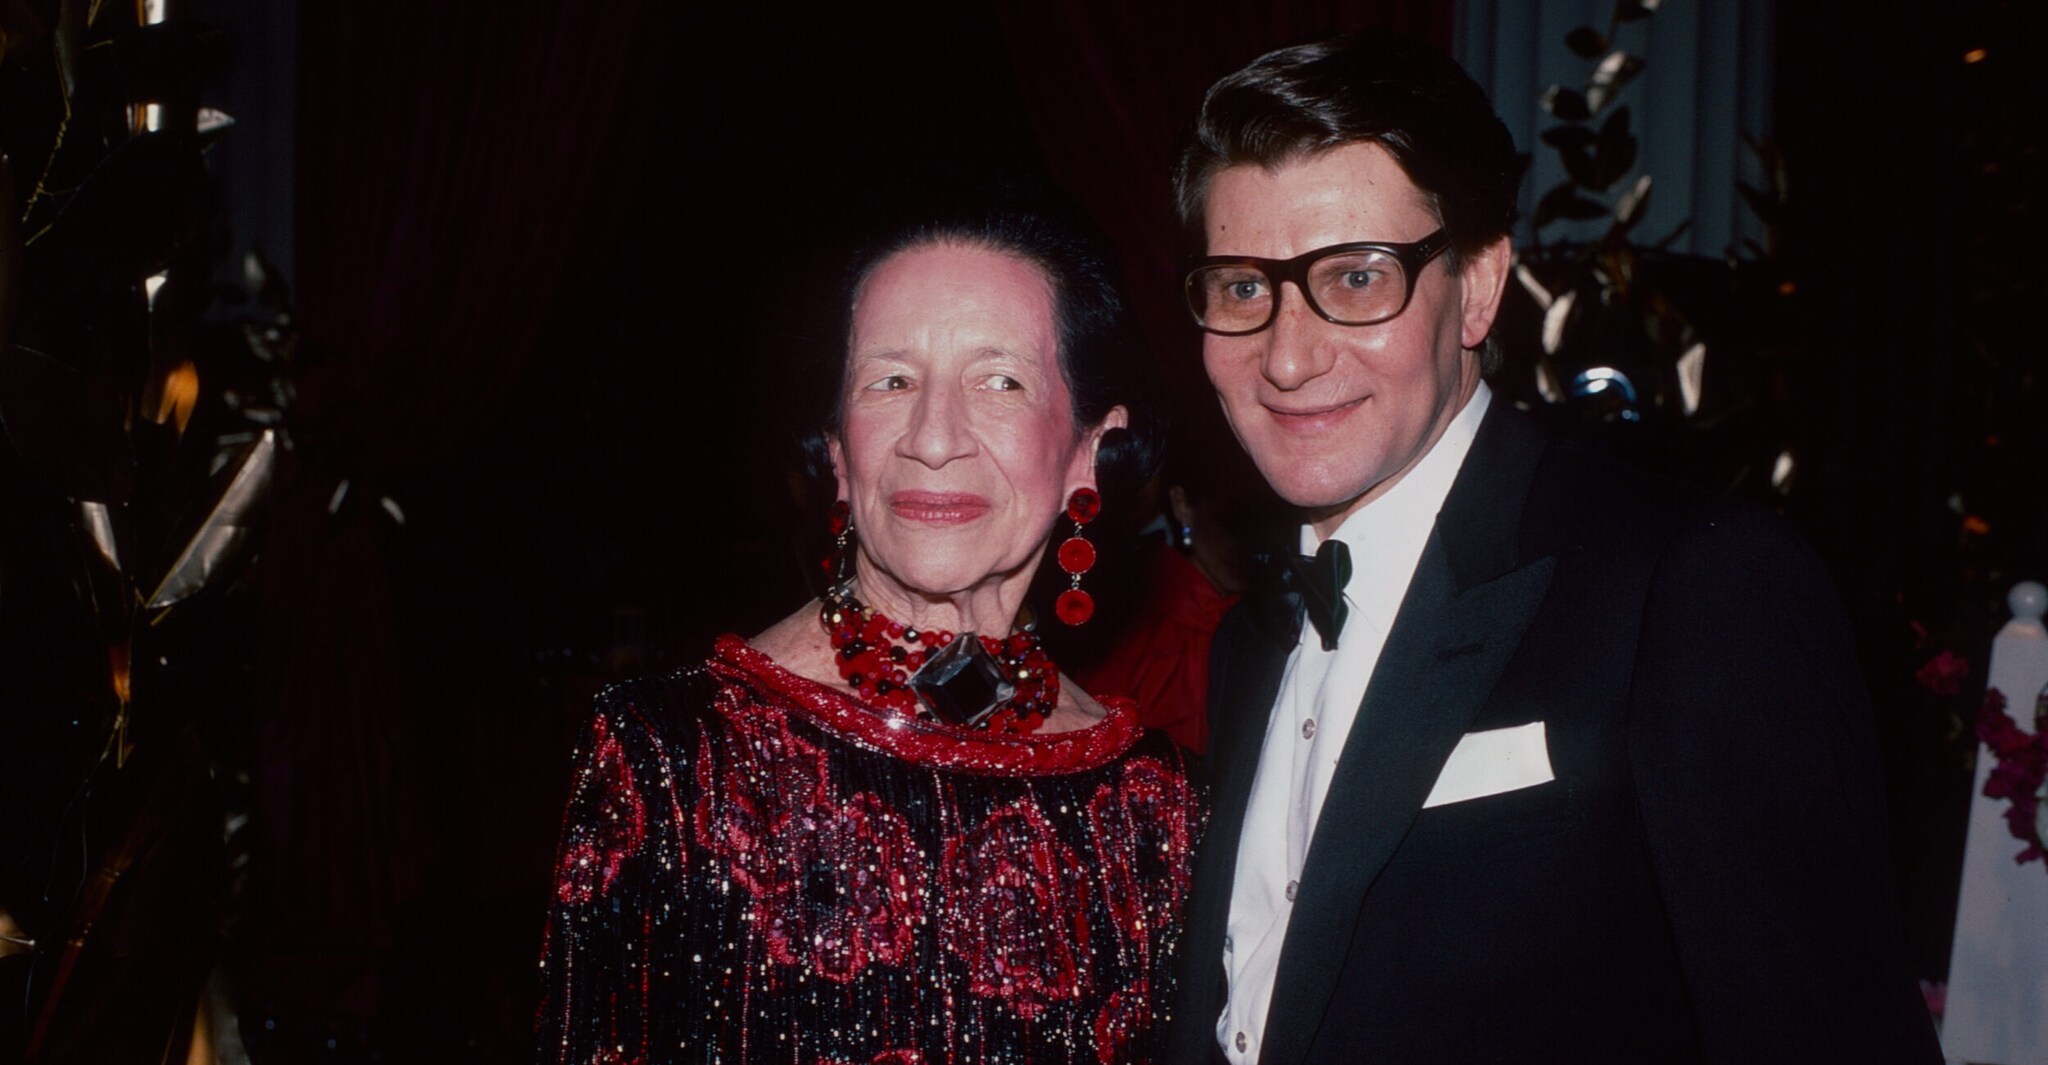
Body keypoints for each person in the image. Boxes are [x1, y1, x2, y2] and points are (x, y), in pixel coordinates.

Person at [1161, 33, 1942, 1064]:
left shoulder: (1691, 585)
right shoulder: (1248, 644)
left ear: (1478, 289)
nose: (1289, 356)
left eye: (1356, 278)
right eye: (1243, 288)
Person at [535, 194, 1199, 1064]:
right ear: (838, 450)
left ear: (1088, 448)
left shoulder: (1166, 808)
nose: (932, 437)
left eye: (1000, 380)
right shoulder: (668, 758)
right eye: (891, 380)